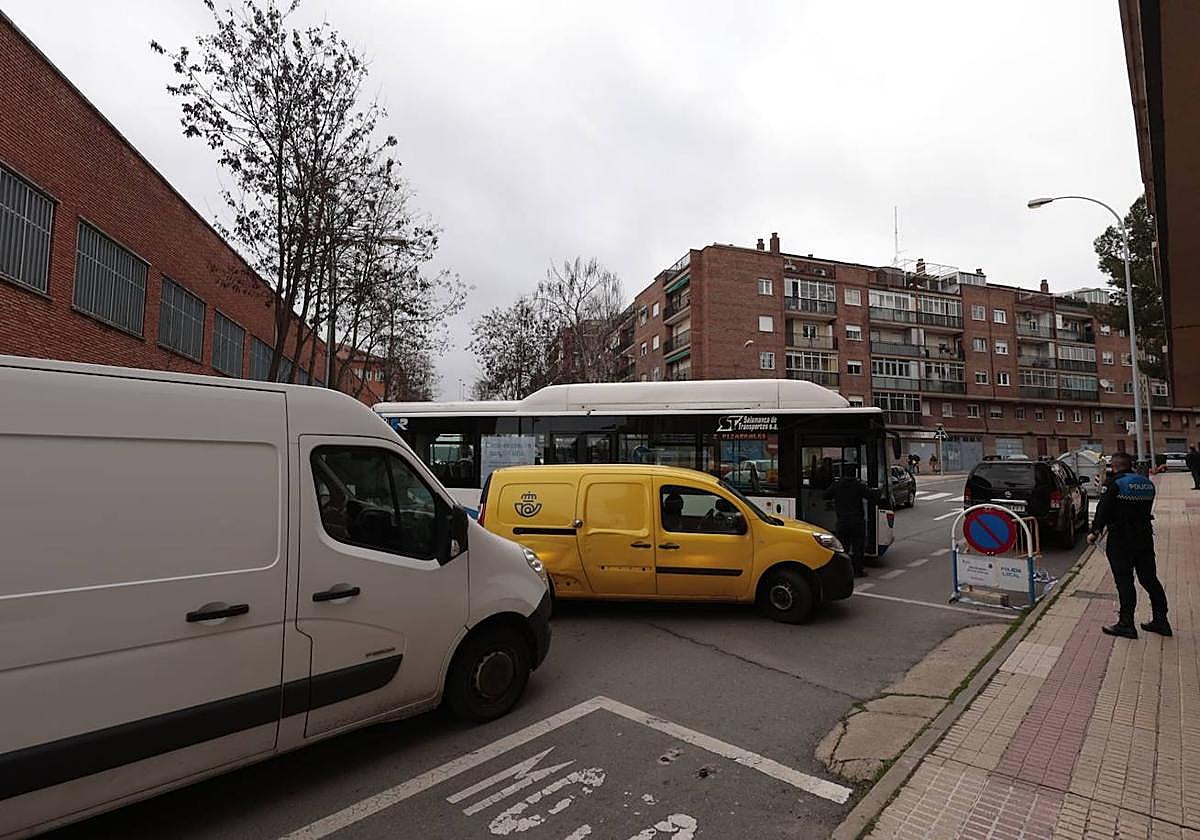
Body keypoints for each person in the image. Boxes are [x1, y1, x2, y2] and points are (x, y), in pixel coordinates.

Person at [1086, 451, 1171, 639]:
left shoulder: (1114, 484)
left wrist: (1095, 531)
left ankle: (1126, 624)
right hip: (1144, 537)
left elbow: (1103, 509)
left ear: (1115, 466)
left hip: (1121, 539)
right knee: (1150, 579)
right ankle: (1161, 620)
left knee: (1124, 581)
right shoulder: (1147, 483)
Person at [824, 468, 880, 577]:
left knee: (843, 547)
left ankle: (843, 572)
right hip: (857, 521)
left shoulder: (837, 485)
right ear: (855, 474)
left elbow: (825, 495)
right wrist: (878, 490)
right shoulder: (858, 485)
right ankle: (858, 571)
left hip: (842, 521)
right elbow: (872, 495)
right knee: (858, 547)